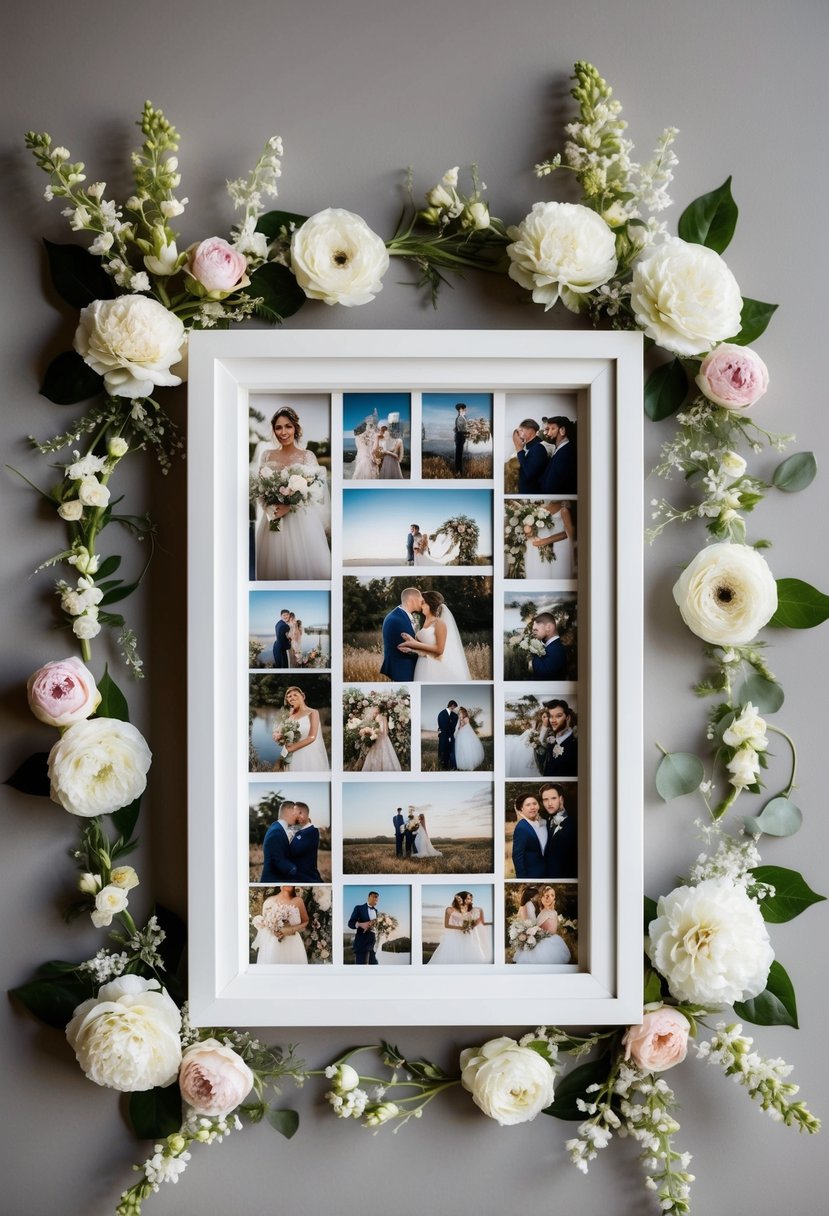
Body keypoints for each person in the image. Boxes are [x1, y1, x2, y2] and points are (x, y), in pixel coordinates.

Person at [254, 406, 331, 581]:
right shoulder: (266, 455)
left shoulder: (306, 456)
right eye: (278, 427)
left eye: (288, 426)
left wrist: (290, 506)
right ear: (274, 431)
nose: (283, 432)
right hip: (273, 521)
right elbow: (260, 488)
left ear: (295, 428)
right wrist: (268, 507)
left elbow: (316, 491)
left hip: (301, 521)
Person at [398, 589, 471, 682]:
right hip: (422, 664)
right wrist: (411, 649)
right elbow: (425, 650)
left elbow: (439, 650)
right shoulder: (423, 622)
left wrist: (413, 644)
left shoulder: (439, 623)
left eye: (423, 602)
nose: (421, 605)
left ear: (430, 604)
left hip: (435, 667)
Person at [274, 685, 329, 772]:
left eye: (295, 695)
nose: (292, 698)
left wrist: (292, 748)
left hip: (309, 755)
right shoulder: (289, 716)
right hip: (292, 756)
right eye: (289, 696)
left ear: (303, 696)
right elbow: (279, 731)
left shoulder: (313, 712)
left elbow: (312, 737)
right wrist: (278, 736)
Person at [513, 884, 571, 965]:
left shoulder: (532, 904)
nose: (538, 897)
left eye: (552, 895)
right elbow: (526, 920)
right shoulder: (528, 904)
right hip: (531, 927)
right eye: (537, 895)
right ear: (532, 896)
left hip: (534, 928)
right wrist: (531, 928)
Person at [252, 886, 309, 964]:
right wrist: (274, 931)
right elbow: (265, 925)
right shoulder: (269, 901)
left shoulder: (298, 901)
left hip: (293, 943)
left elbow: (305, 921)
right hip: (273, 943)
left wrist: (292, 929)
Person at [427, 892, 487, 964]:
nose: (470, 900)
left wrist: (470, 925)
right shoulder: (449, 909)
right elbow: (446, 925)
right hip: (454, 936)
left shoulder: (469, 911)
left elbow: (472, 923)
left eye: (471, 899)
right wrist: (460, 927)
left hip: (467, 936)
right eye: (468, 898)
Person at [524, 501, 575, 580]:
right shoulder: (540, 508)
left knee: (558, 570)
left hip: (560, 544)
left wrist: (545, 541)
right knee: (544, 569)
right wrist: (530, 532)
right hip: (544, 544)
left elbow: (569, 533)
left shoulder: (563, 508)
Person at [380, 586, 422, 682]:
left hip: (402, 668)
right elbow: (409, 649)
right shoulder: (397, 620)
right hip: (403, 670)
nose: (422, 603)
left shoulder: (399, 615)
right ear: (412, 599)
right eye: (421, 600)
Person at [540, 783, 578, 878]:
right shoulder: (547, 822)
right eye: (545, 800)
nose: (549, 804)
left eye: (553, 798)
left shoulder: (574, 823)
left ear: (561, 799)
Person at [511, 793, 549, 879]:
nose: (532, 807)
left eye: (534, 804)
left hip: (546, 873)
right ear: (521, 808)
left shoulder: (542, 824)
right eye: (528, 805)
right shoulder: (522, 827)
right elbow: (517, 856)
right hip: (531, 874)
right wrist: (522, 878)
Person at [260, 801, 298, 882]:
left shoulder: (278, 828)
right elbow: (278, 861)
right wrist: (298, 870)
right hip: (273, 881)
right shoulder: (276, 832)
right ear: (289, 812)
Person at [505, 708, 547, 778]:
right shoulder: (531, 729)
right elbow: (523, 737)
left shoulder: (543, 728)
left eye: (546, 716)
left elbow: (541, 738)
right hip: (531, 745)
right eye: (543, 716)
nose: (544, 718)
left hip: (536, 747)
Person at [541, 699, 578, 778]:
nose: (553, 721)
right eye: (550, 716)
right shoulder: (553, 739)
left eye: (558, 716)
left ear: (567, 717)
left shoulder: (576, 745)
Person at [540, 416, 577, 495]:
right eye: (548, 429)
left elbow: (553, 485)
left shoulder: (566, 452)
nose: (548, 433)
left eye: (552, 429)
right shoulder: (561, 449)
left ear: (562, 430)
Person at [360, 707, 402, 772]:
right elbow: (386, 731)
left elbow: (380, 730)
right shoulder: (384, 717)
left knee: (376, 753)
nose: (373, 713)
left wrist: (373, 731)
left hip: (378, 737)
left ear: (376, 712)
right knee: (387, 753)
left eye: (373, 712)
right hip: (385, 738)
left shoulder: (377, 718)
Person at [529, 613, 568, 680]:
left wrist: (534, 649)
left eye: (536, 630)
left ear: (548, 627)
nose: (533, 633)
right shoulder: (553, 646)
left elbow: (542, 674)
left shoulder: (555, 649)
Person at [512, 418, 547, 492]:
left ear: (531, 430)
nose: (520, 433)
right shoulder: (528, 446)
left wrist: (519, 449)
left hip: (532, 492)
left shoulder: (539, 448)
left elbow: (529, 473)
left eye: (521, 430)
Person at [289, 802, 322, 882]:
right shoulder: (296, 830)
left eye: (295, 814)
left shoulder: (312, 832)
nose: (293, 816)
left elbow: (293, 851)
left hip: (307, 878)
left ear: (301, 813)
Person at [348, 890, 380, 964]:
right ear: (368, 897)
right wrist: (360, 924)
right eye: (374, 897)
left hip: (373, 942)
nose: (376, 899)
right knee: (360, 967)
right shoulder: (358, 908)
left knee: (374, 965)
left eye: (377, 898)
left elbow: (377, 926)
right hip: (361, 942)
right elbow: (350, 923)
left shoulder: (376, 911)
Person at [437, 700, 459, 770]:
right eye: (455, 707)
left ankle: (450, 766)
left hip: (450, 736)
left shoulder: (455, 716)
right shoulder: (442, 714)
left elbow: (453, 727)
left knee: (450, 752)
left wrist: (450, 736)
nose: (456, 709)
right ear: (452, 706)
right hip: (443, 737)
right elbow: (441, 725)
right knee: (443, 751)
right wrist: (441, 732)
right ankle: (443, 766)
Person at [454, 402, 468, 474]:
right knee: (459, 454)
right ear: (460, 410)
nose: (465, 411)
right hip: (459, 438)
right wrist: (468, 431)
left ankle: (459, 470)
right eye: (464, 410)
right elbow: (461, 429)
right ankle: (458, 470)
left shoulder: (462, 418)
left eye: (465, 410)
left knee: (459, 454)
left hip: (461, 438)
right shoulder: (460, 418)